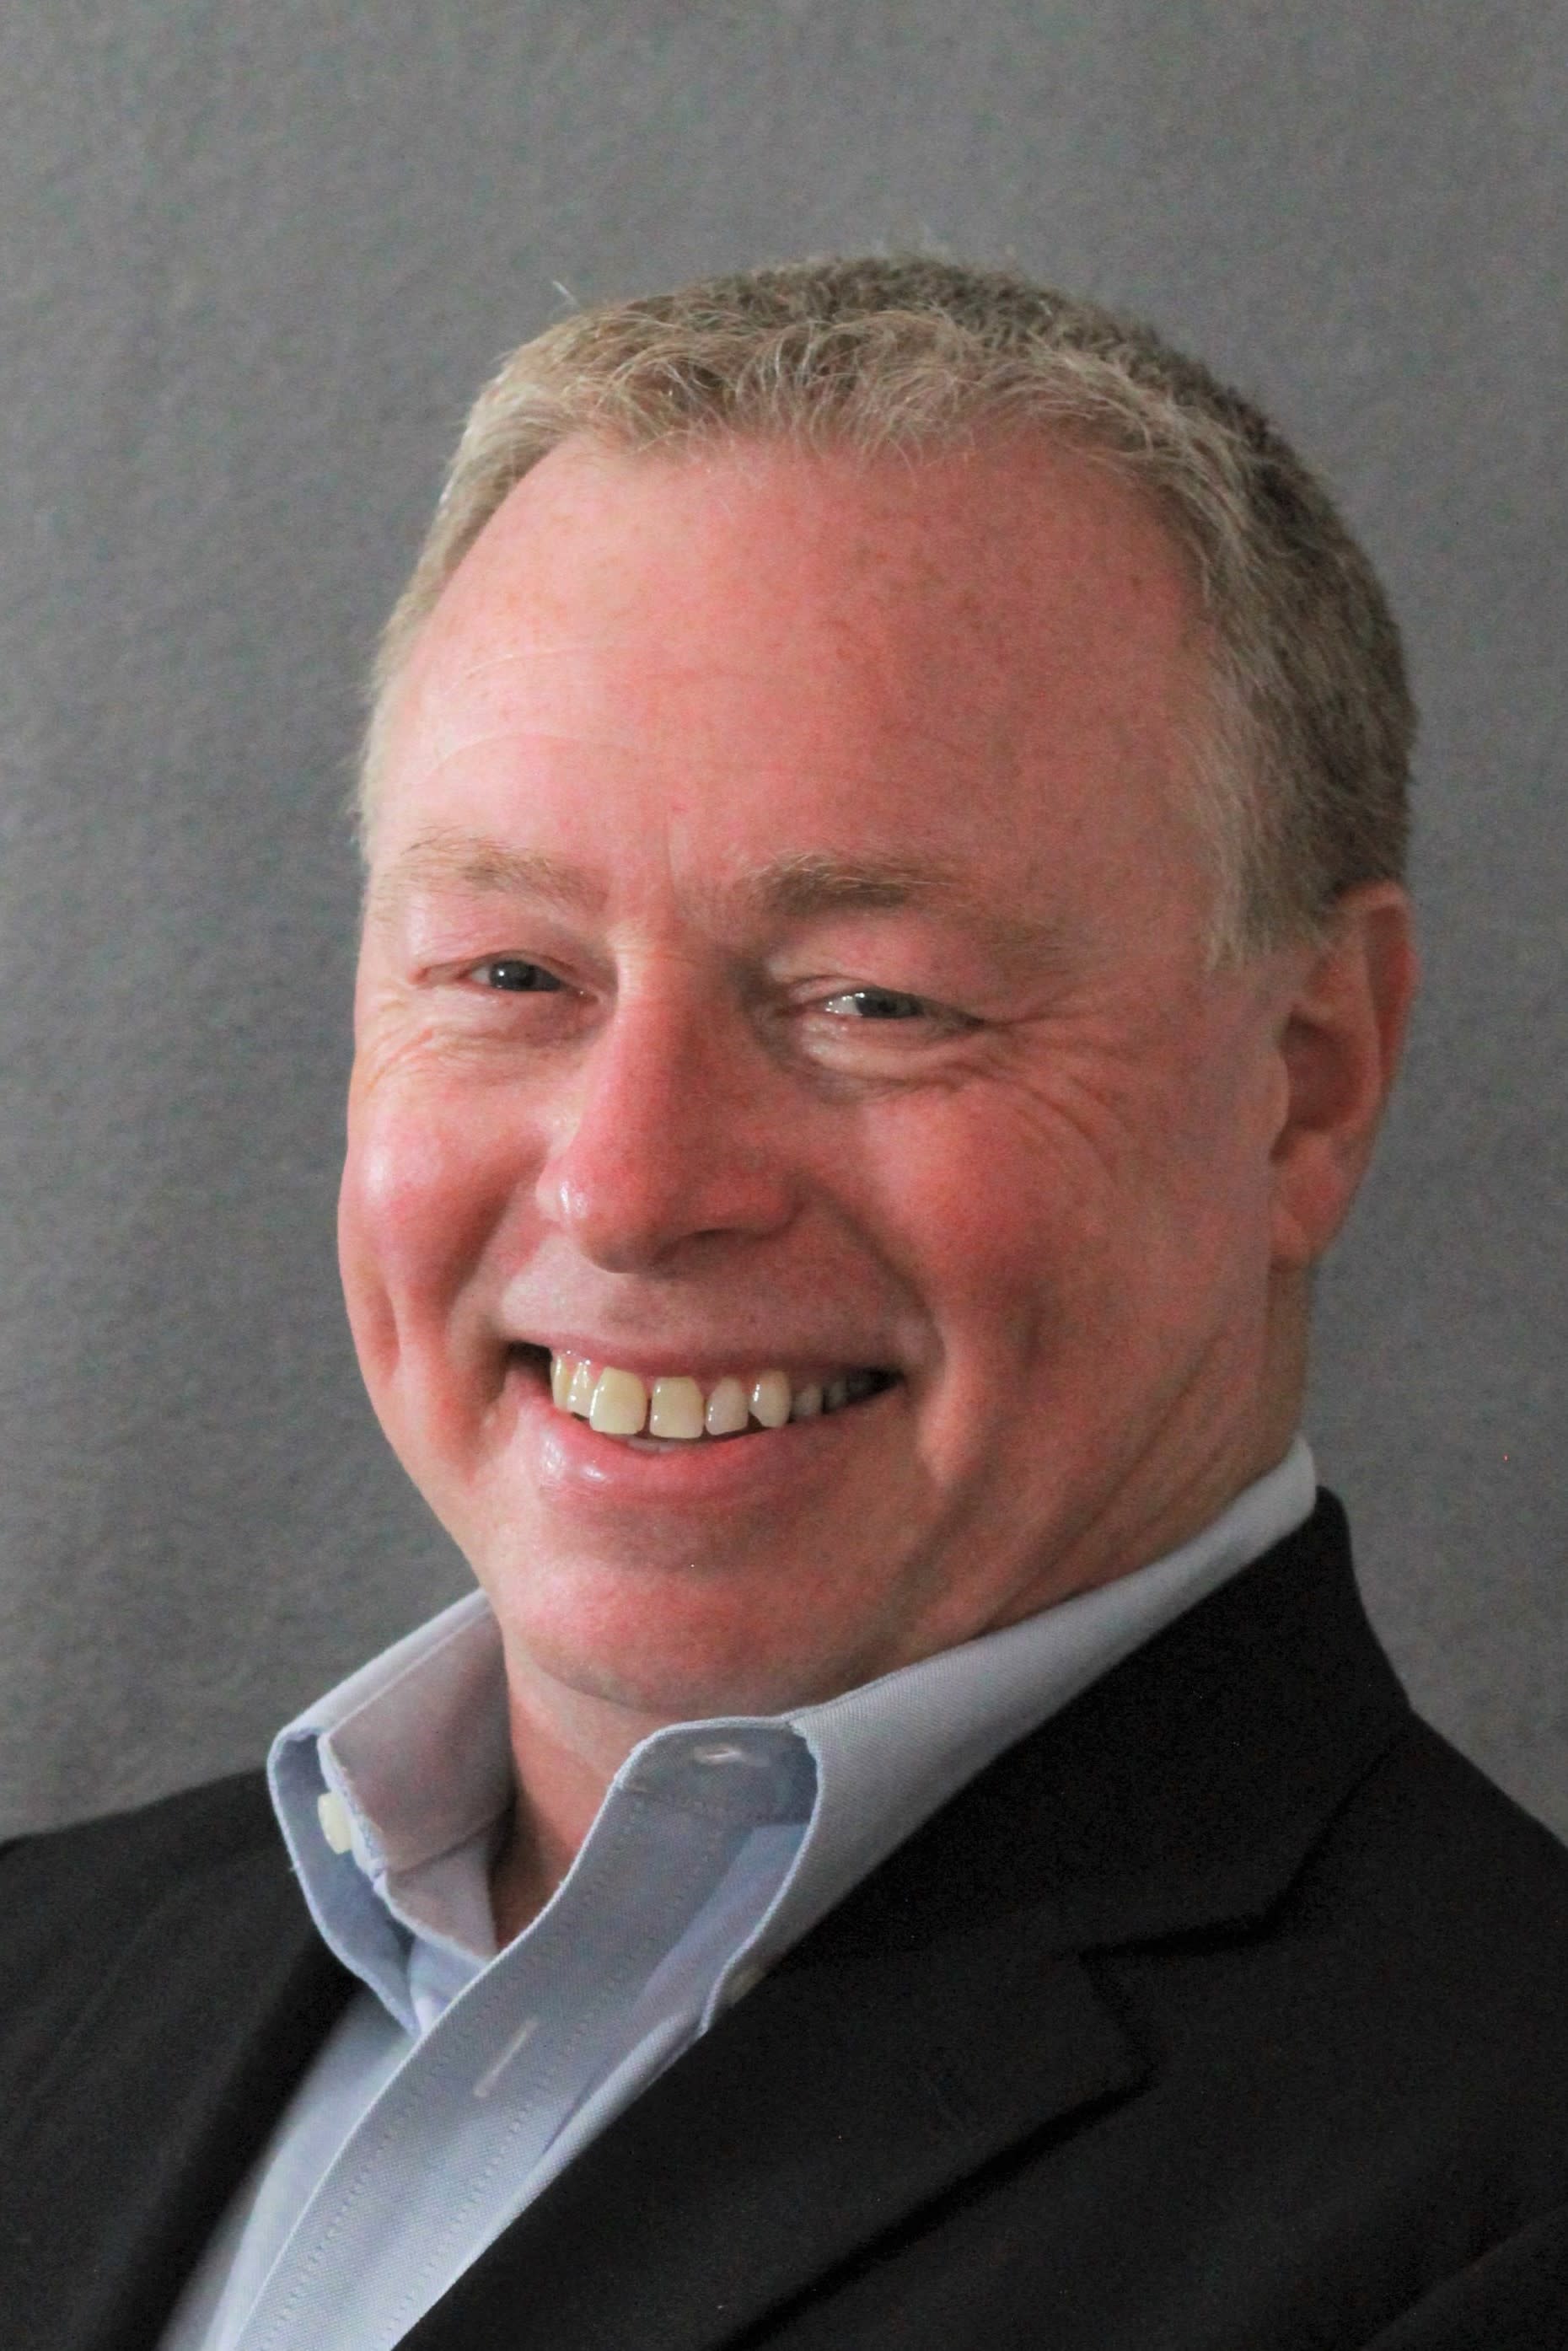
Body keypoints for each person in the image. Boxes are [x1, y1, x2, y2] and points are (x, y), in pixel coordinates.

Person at [3, 255, 1566, 2351]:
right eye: (510, 972)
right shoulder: (38, 1978)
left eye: (874, 1000)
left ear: (1311, 1079)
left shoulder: (1499, 2209)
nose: (632, 1187)